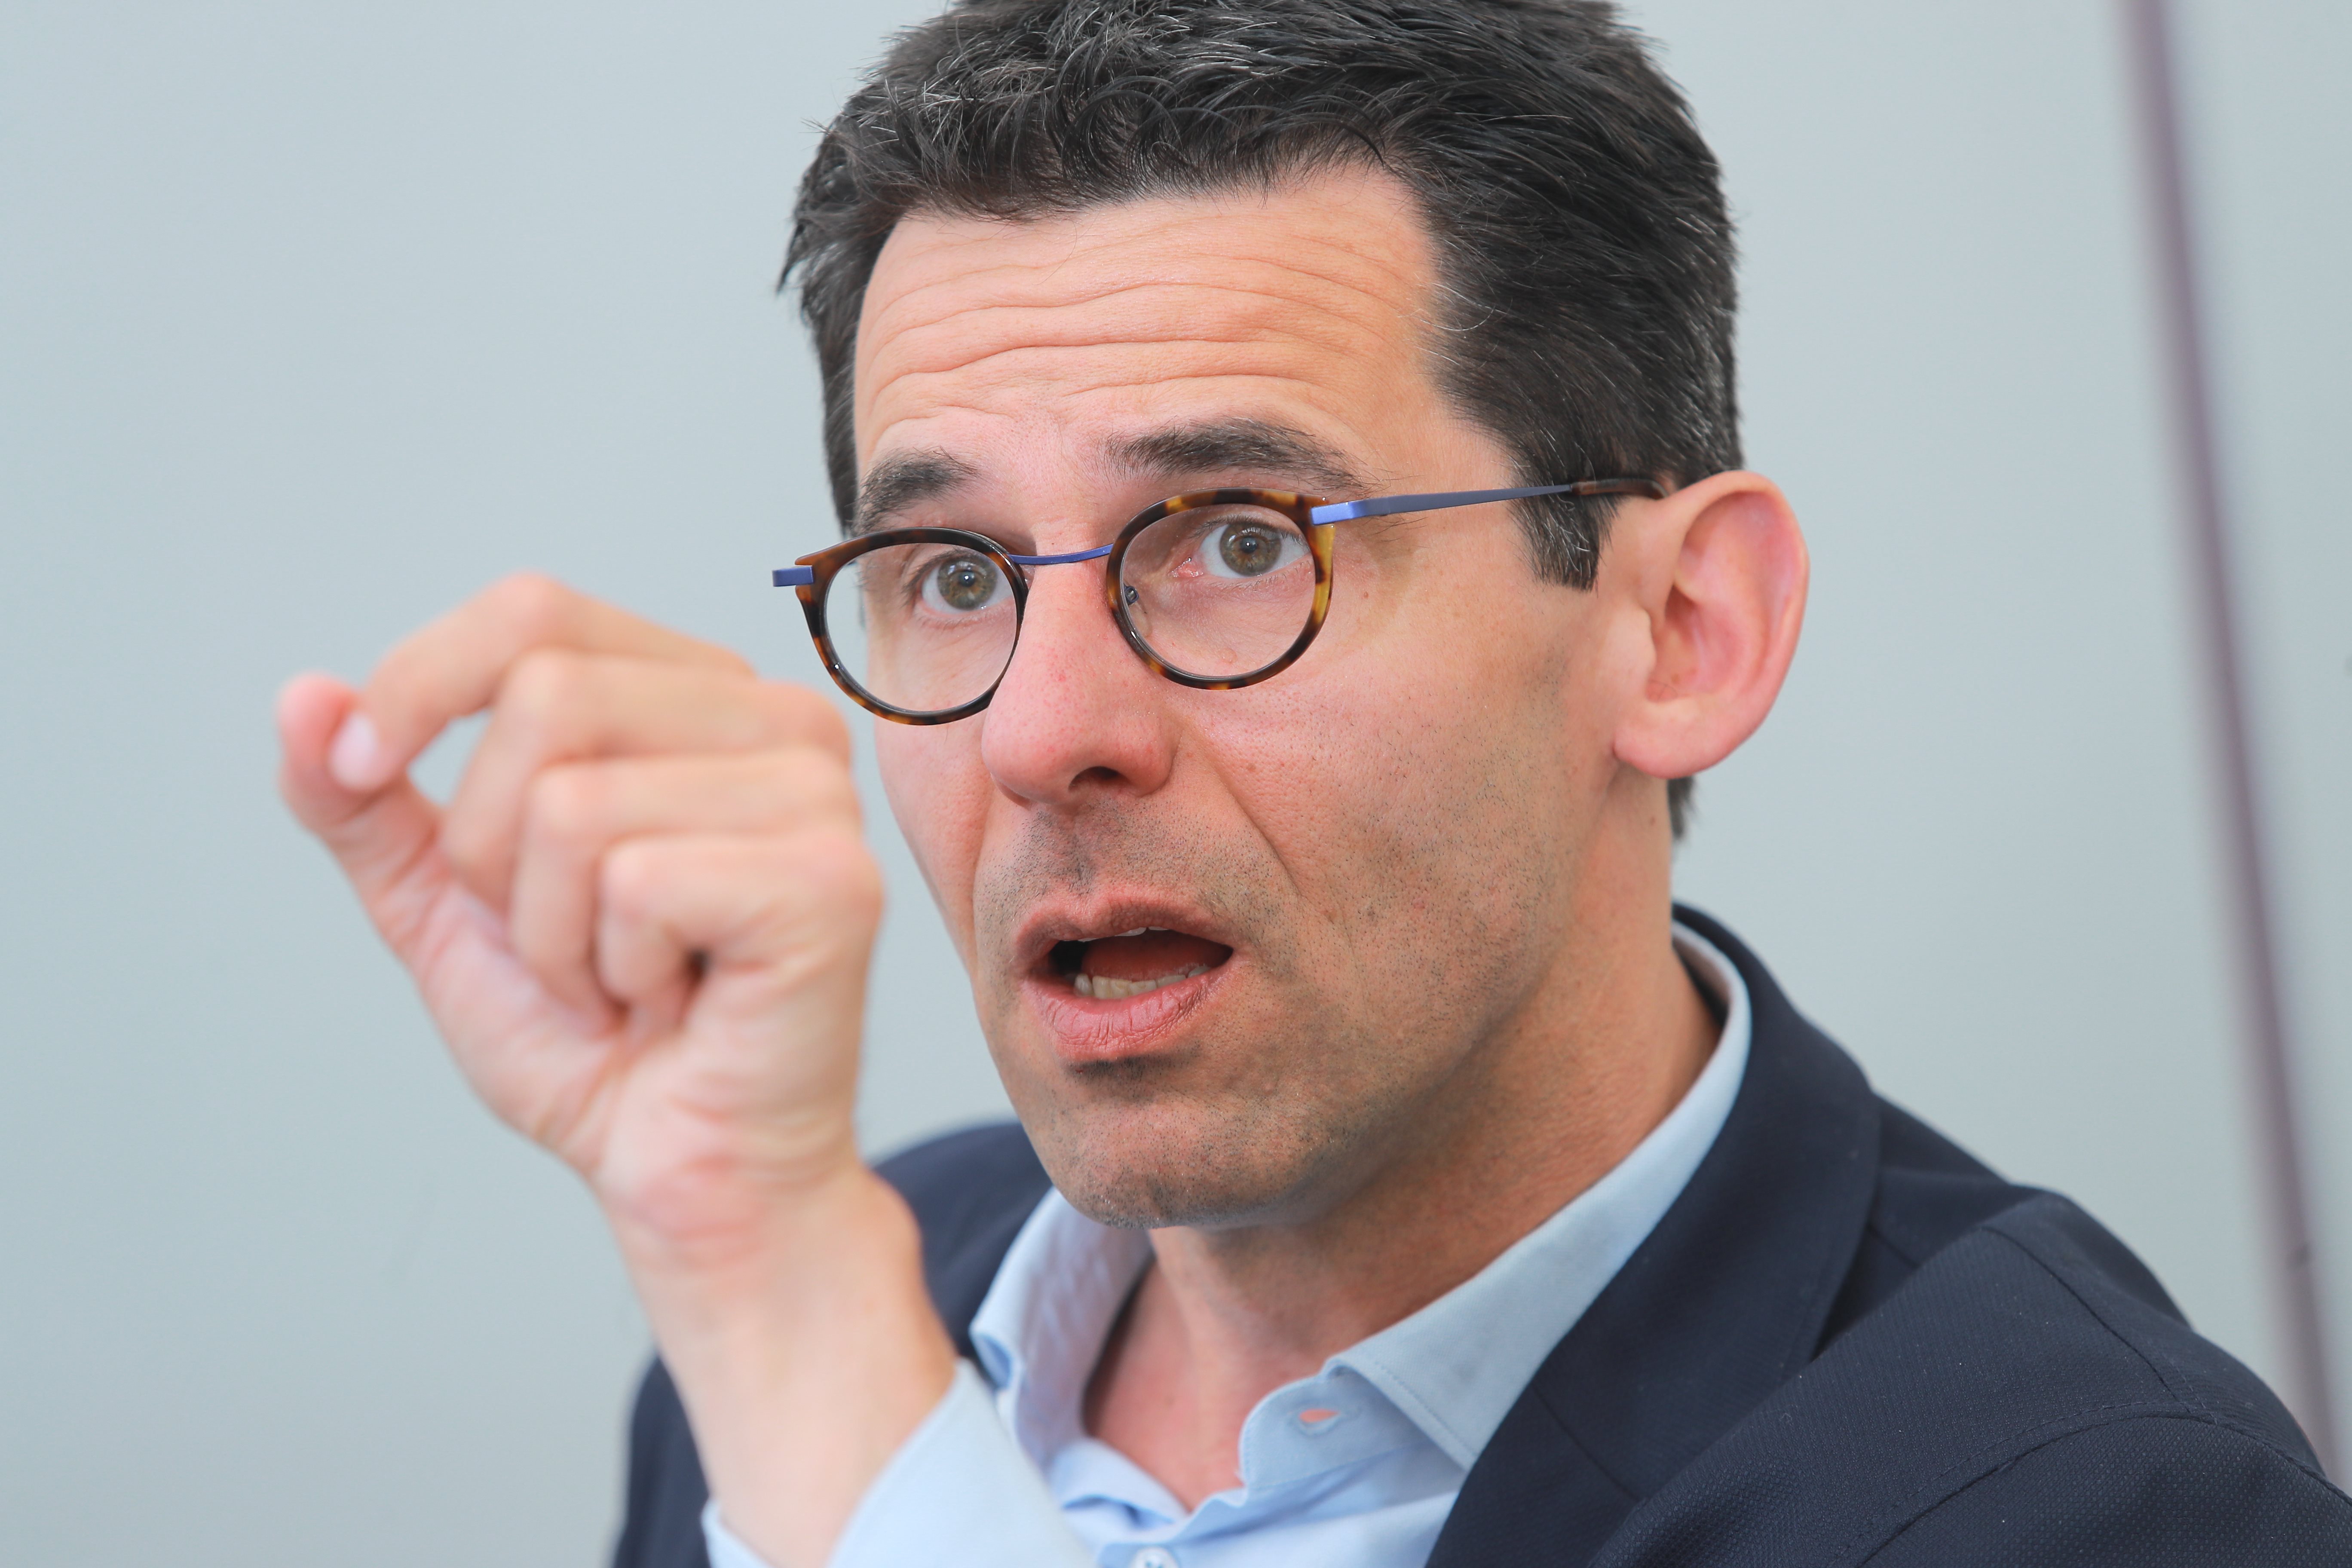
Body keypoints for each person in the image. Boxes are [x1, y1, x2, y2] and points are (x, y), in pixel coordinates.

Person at [277, 1, 2352, 1563]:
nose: (1042, 732)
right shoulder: (844, 1298)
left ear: (1680, 630)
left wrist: (781, 1302)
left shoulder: (2082, 1500)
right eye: (954, 576)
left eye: (1240, 540)